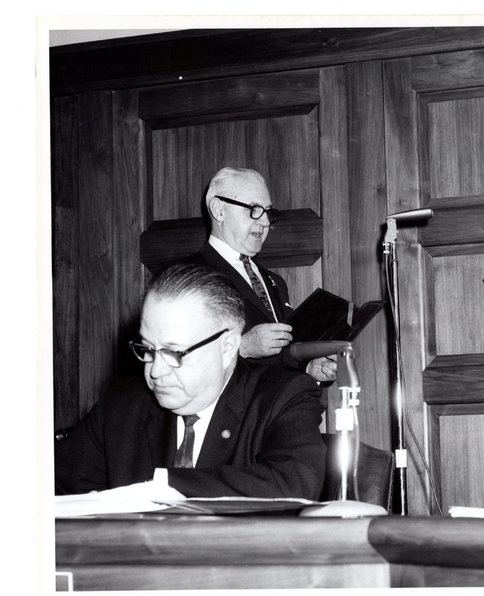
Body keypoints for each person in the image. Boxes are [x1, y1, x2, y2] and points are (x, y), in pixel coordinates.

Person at [55, 263, 326, 499]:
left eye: (174, 353)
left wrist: (161, 487)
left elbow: (294, 485)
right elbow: (56, 486)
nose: (156, 371)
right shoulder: (122, 403)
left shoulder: (283, 396)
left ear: (227, 346)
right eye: (148, 349)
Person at [187, 166, 336, 382]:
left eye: (268, 212)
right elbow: (175, 359)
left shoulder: (274, 282)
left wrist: (307, 367)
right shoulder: (186, 276)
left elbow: (278, 356)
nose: (265, 222)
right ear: (219, 209)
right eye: (254, 209)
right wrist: (243, 347)